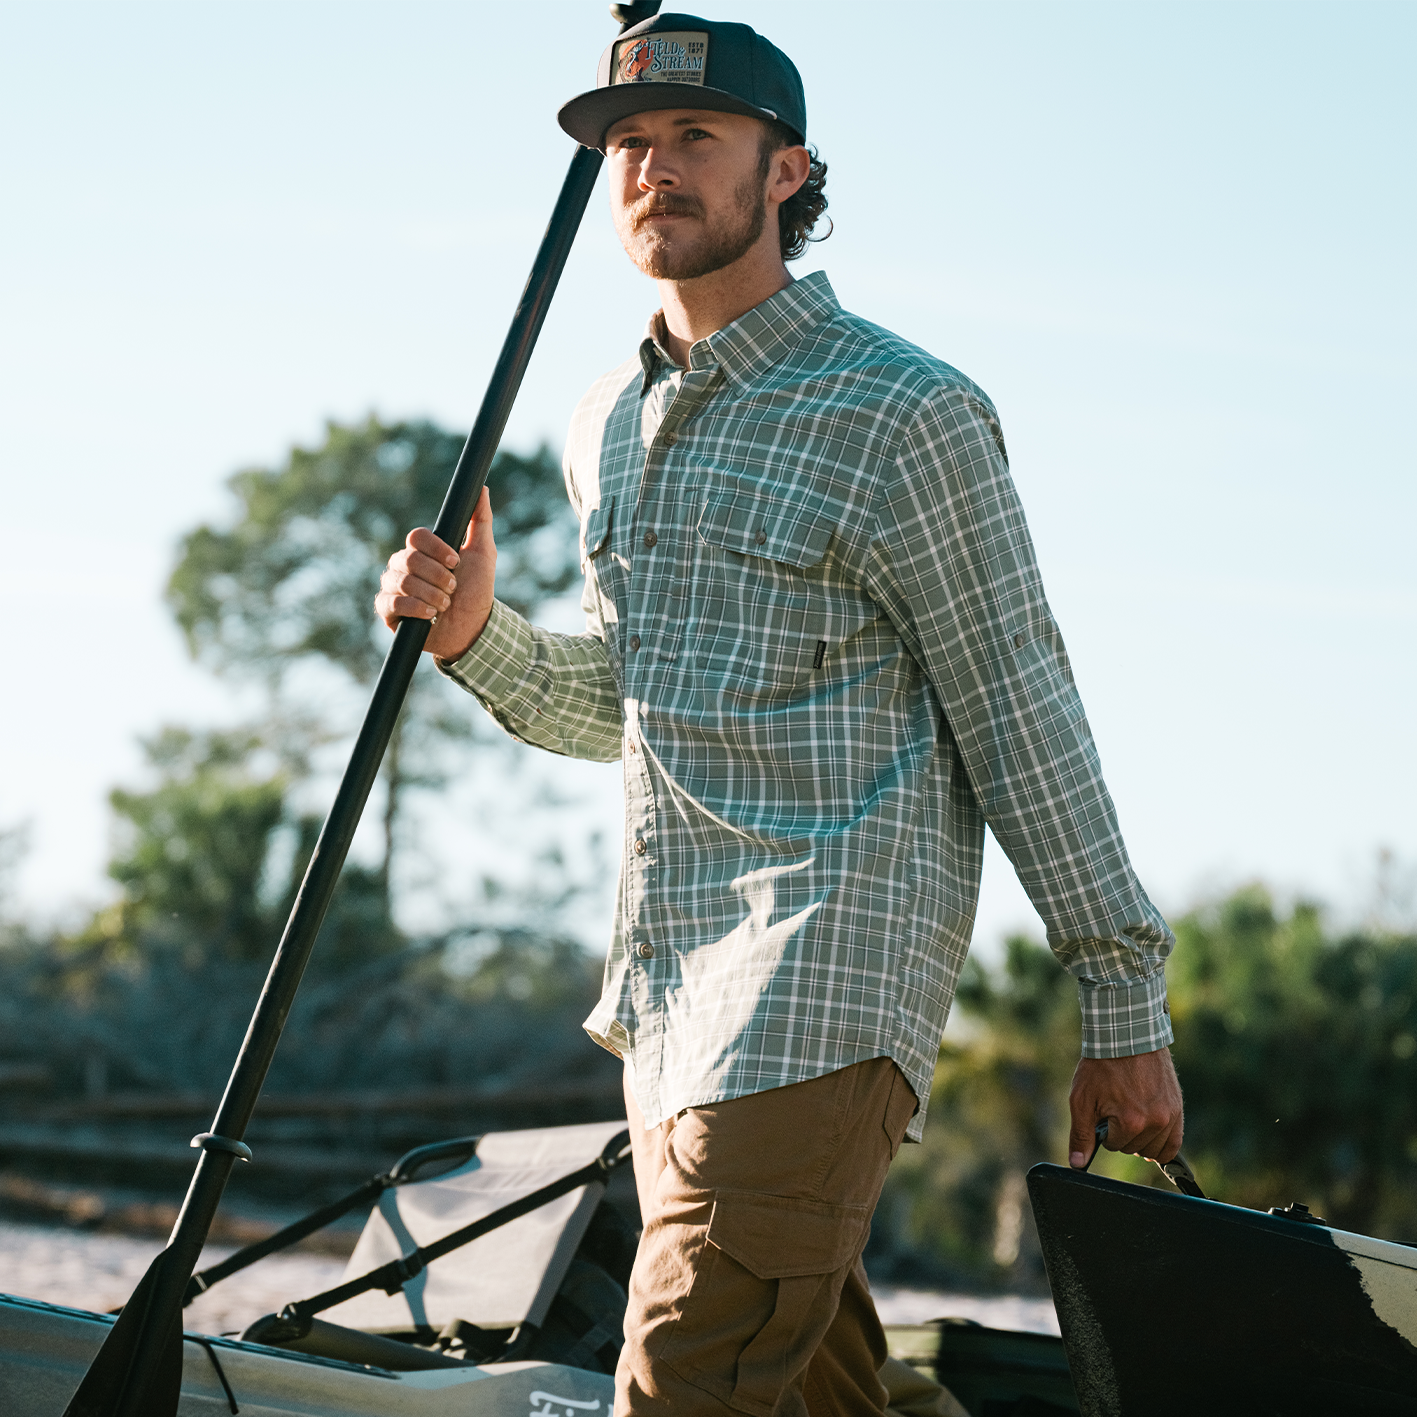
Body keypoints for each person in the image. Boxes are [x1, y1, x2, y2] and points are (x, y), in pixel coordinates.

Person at [376, 14, 1183, 1417]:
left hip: (824, 980)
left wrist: (1122, 997)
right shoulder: (604, 427)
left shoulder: (905, 412)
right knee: (810, 1392)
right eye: (629, 143)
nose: (653, 170)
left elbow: (1020, 708)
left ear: (790, 171)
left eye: (696, 137)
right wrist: (473, 639)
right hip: (668, 1000)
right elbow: (629, 710)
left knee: (682, 1381)